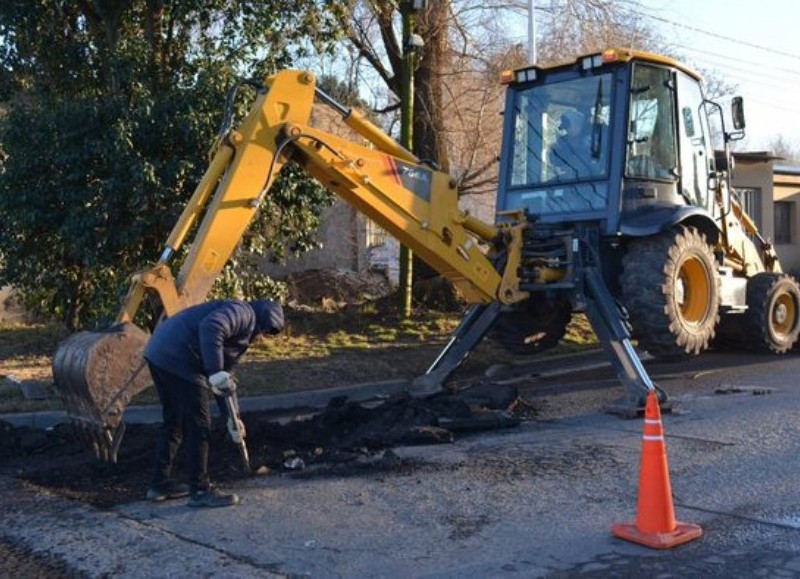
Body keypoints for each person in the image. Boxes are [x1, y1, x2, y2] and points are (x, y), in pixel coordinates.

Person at [144, 298, 284, 508]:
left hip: (160, 352)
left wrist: (232, 418)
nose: (263, 336)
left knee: (175, 420)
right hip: (180, 357)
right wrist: (214, 371)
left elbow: (224, 380)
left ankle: (159, 484)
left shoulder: (241, 331)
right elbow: (212, 326)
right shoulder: (244, 313)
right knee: (198, 424)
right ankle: (200, 490)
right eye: (266, 330)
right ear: (263, 319)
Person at [550, 110, 592, 179]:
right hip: (570, 178)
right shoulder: (562, 142)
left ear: (576, 125)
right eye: (565, 128)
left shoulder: (589, 142)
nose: (566, 130)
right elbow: (555, 160)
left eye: (567, 127)